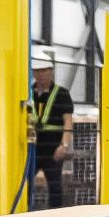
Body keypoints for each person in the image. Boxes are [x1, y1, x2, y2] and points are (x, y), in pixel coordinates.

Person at [30, 53, 74, 208]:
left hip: (53, 149)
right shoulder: (27, 93)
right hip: (32, 148)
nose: (41, 75)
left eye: (44, 71)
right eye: (37, 71)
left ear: (51, 71)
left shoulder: (62, 94)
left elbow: (68, 121)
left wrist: (64, 145)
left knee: (55, 186)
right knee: (26, 185)